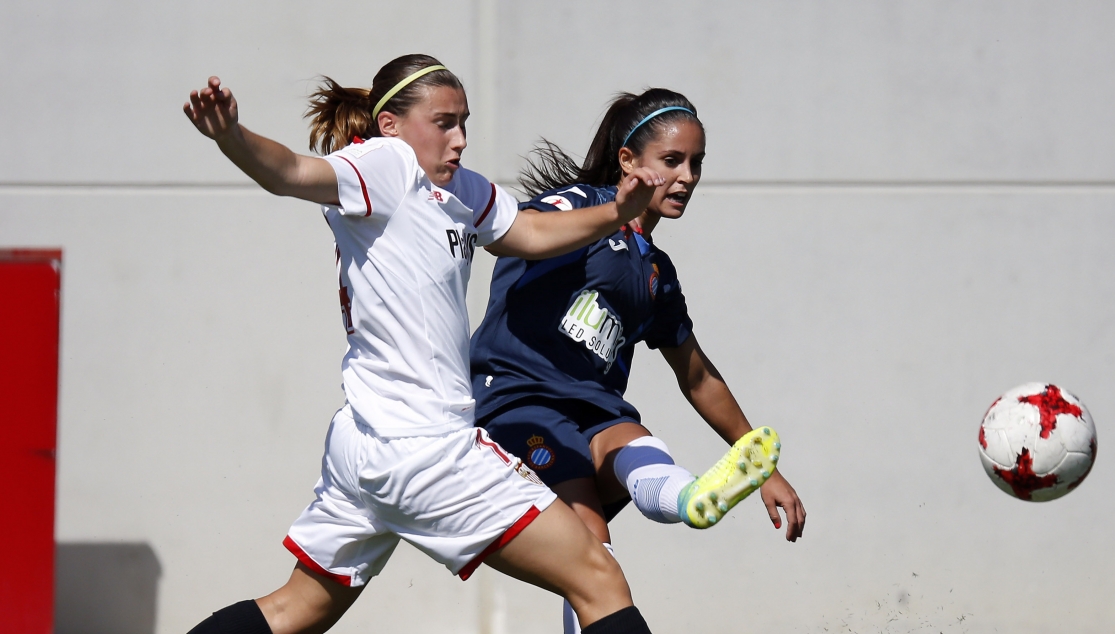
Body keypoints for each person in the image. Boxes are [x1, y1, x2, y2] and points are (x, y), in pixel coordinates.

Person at [181, 54, 668, 634]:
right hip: (426, 448)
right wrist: (231, 136)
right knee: (599, 578)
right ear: (390, 125)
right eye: (444, 122)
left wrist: (615, 212)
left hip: (364, 443)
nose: (460, 138)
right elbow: (289, 172)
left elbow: (529, 233)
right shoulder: (384, 164)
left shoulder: (458, 189)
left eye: (464, 121)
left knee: (296, 609)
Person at [470, 88, 807, 633]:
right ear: (628, 161)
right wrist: (608, 215)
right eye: (672, 161)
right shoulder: (575, 205)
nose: (689, 176)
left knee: (633, 441)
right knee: (592, 554)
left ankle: (691, 497)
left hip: (593, 410)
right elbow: (514, 238)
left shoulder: (657, 273)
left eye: (696, 163)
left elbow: (697, 376)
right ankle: (682, 496)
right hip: (519, 404)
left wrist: (760, 463)